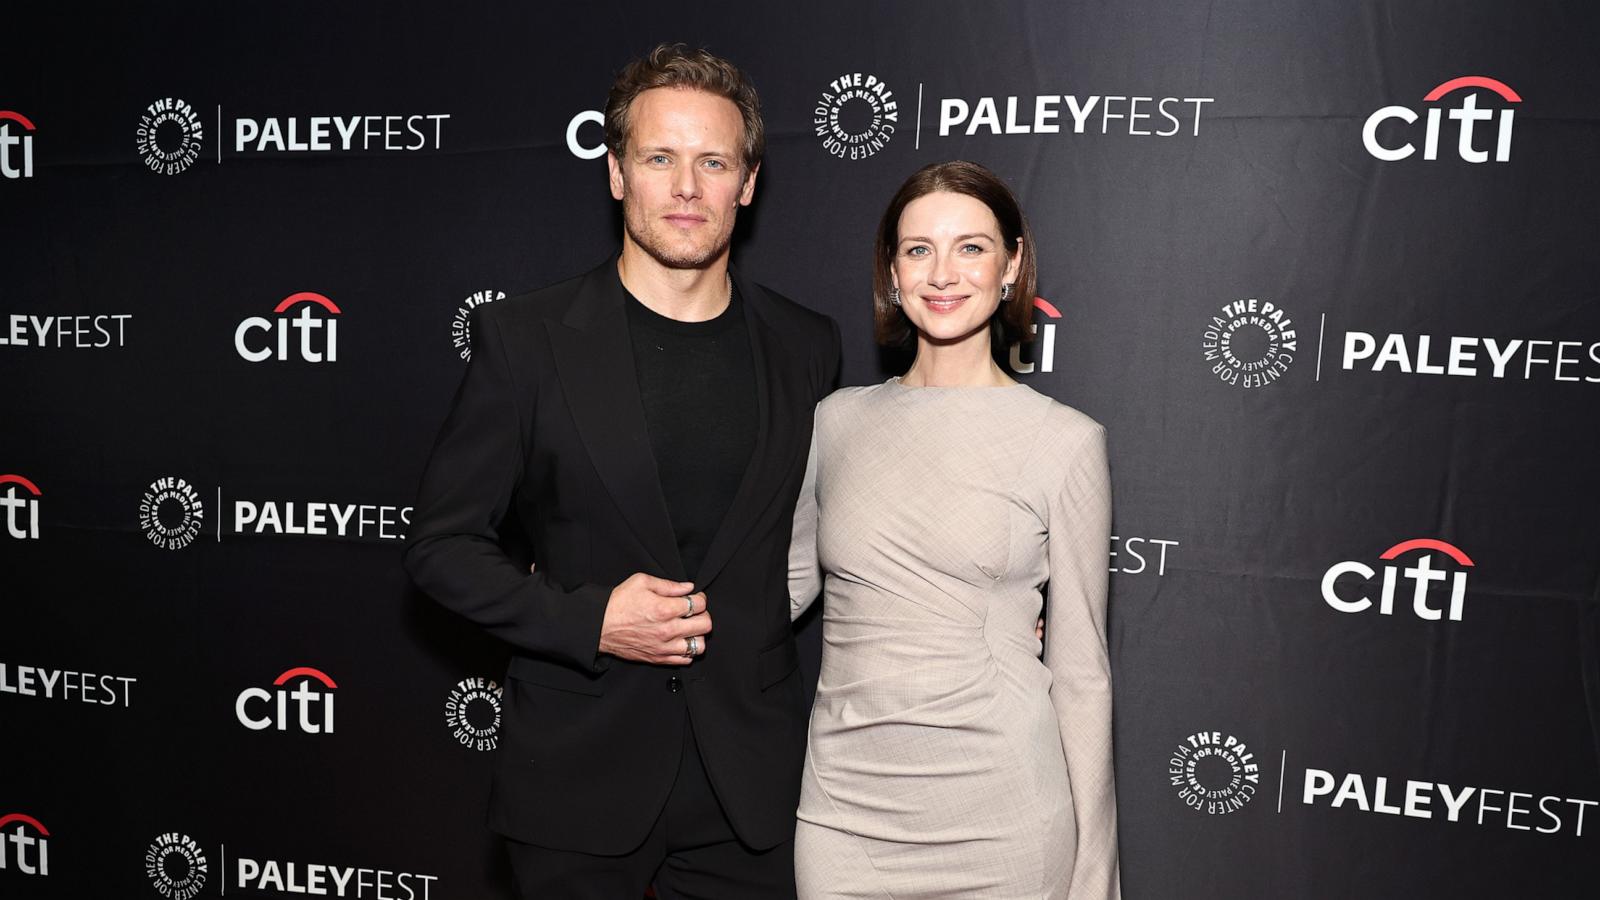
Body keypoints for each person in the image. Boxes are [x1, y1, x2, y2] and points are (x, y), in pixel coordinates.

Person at [404, 43, 839, 899]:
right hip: (576, 782)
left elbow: (830, 536)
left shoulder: (807, 346)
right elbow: (442, 547)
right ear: (616, 175)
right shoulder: (526, 341)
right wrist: (591, 619)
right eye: (659, 158)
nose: (686, 186)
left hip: (752, 790)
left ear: (746, 183)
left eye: (713, 161)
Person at [788, 160, 1120, 899]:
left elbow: (1082, 672)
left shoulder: (1064, 442)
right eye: (918, 250)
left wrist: (1095, 872)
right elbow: (777, 589)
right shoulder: (837, 421)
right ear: (892, 271)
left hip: (1001, 816)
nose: (943, 273)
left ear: (1012, 265)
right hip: (845, 817)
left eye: (971, 247)